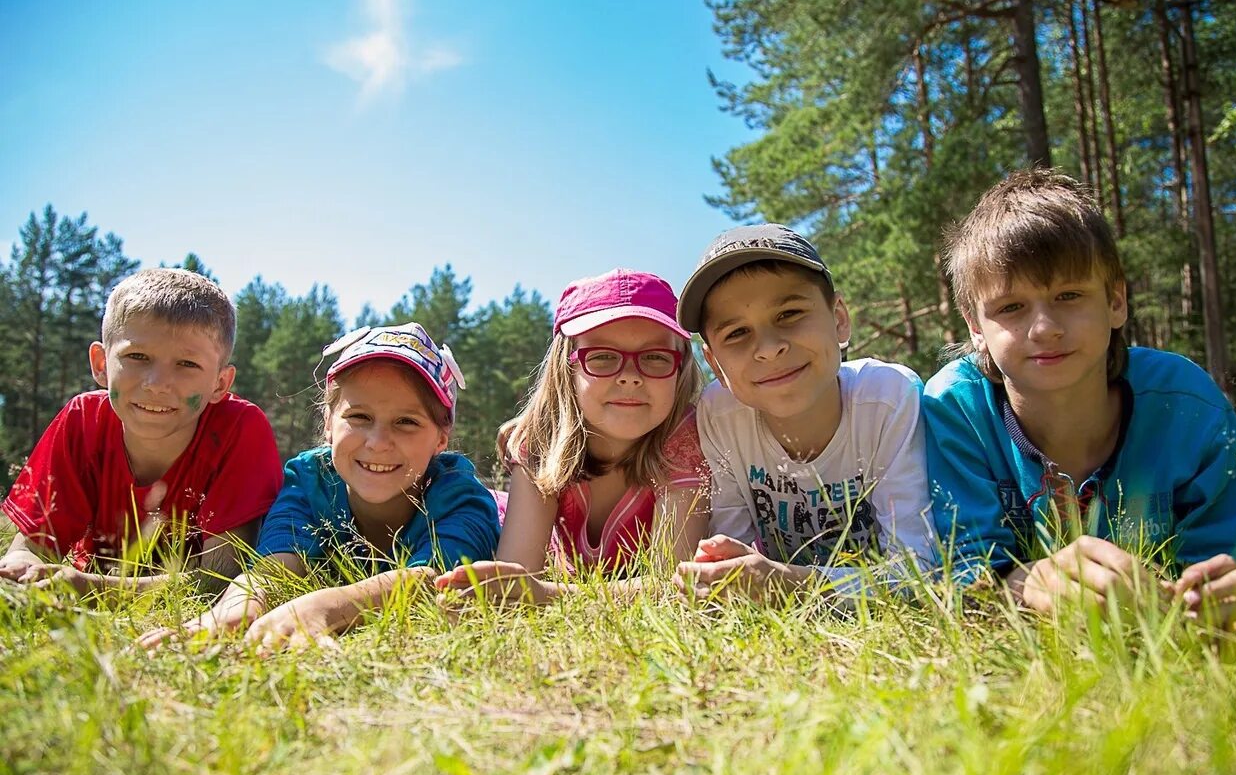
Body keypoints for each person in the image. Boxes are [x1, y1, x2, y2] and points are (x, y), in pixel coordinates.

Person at [925, 169, 1236, 644]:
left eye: (1069, 296)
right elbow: (960, 582)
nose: (1045, 327)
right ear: (974, 326)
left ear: (1115, 301)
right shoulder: (955, 410)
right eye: (1010, 308)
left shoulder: (1189, 408)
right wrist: (1026, 587)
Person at [139, 323, 499, 651]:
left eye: (406, 421)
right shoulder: (310, 478)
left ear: (440, 439)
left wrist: (323, 606)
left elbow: (436, 579)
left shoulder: (461, 495)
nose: (378, 441)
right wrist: (237, 607)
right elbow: (278, 560)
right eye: (359, 417)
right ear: (328, 423)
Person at [673, 225, 938, 602]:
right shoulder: (719, 414)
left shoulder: (888, 399)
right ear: (715, 364)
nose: (768, 348)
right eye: (736, 334)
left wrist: (790, 584)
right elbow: (731, 552)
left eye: (789, 314)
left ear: (839, 319)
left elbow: (920, 570)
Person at [0, 268, 281, 596]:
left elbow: (218, 578)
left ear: (220, 382)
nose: (157, 384)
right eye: (137, 357)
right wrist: (20, 566)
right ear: (101, 363)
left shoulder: (239, 429)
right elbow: (33, 547)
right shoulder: (82, 420)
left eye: (187, 364)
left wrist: (95, 589)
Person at [434, 269, 708, 605]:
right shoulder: (541, 442)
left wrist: (549, 595)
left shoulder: (686, 442)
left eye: (655, 357)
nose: (630, 377)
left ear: (680, 369)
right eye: (603, 357)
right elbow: (515, 576)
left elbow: (675, 584)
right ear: (568, 367)